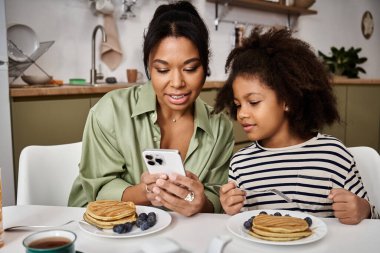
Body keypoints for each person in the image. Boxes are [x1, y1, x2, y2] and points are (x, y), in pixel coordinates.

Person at [68, 1, 234, 216]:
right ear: (148, 67)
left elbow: (216, 194)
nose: (177, 82)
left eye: (190, 68)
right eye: (163, 69)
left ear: (205, 67)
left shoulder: (220, 126)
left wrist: (201, 203)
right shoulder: (111, 111)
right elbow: (96, 189)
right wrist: (145, 192)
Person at [214, 27, 378, 224]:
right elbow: (239, 225)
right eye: (238, 105)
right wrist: (229, 210)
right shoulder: (241, 164)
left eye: (254, 102)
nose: (242, 114)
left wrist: (363, 210)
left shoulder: (333, 155)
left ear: (287, 100)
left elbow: (371, 222)